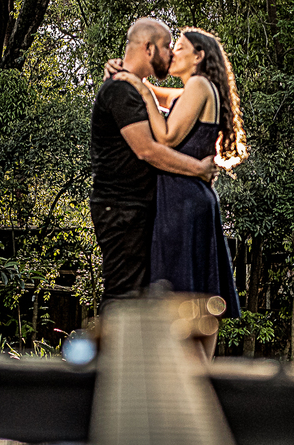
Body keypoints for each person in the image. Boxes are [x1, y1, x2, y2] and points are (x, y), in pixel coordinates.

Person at [108, 27, 249, 359]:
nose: (172, 54)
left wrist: (141, 93)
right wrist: (131, 77)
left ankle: (191, 385)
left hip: (182, 202)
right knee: (200, 306)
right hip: (192, 199)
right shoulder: (194, 90)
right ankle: (203, 380)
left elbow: (167, 138)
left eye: (180, 48)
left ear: (199, 57)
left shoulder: (199, 85)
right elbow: (159, 94)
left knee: (181, 304)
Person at [90, 18, 217, 310]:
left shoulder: (134, 89)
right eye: (167, 47)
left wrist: (141, 83)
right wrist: (198, 169)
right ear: (149, 48)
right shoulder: (121, 91)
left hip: (140, 209)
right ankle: (108, 356)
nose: (171, 54)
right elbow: (148, 149)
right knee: (123, 295)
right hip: (121, 208)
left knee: (140, 300)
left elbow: (177, 108)